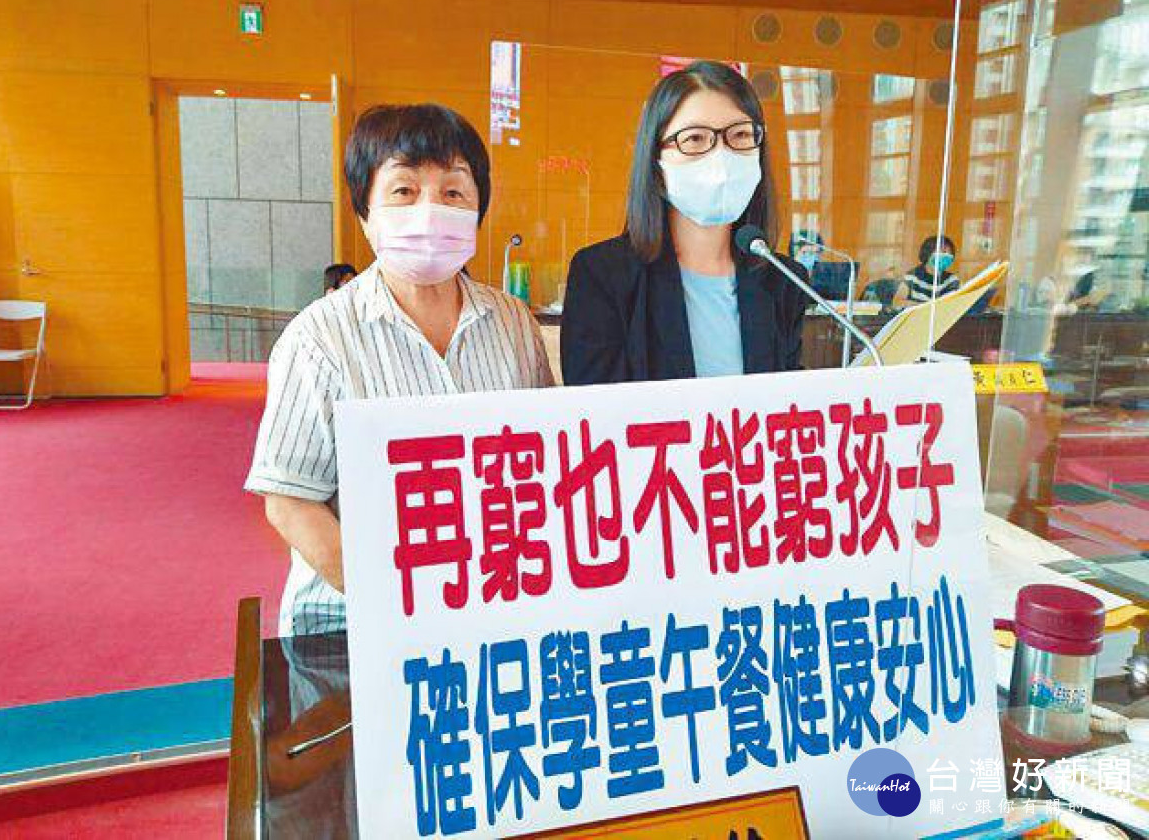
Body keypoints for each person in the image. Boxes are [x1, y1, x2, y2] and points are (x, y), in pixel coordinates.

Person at [245, 103, 555, 636]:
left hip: (490, 605)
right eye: (405, 190)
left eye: (453, 192)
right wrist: (394, 603)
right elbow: (291, 500)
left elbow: (539, 460)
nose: (430, 209)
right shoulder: (318, 339)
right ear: (365, 211)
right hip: (350, 619)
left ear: (478, 209)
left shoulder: (513, 323)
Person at [561, 60, 806, 385]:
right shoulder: (603, 275)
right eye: (694, 139)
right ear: (656, 159)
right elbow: (594, 407)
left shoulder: (784, 281)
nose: (721, 157)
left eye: (740, 135)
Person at [893, 235, 961, 306]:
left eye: (950, 254)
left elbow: (954, 305)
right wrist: (922, 306)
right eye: (943, 252)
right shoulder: (912, 277)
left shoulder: (952, 280)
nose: (947, 256)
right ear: (928, 252)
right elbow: (897, 302)